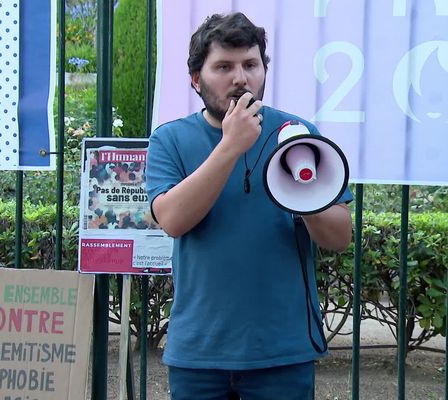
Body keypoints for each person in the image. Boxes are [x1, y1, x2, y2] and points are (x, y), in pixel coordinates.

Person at [145, 12, 353, 400]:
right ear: (196, 79)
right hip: (199, 352)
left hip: (282, 351)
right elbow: (172, 220)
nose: (240, 78)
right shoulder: (170, 139)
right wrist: (230, 146)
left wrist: (304, 194)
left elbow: (339, 237)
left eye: (250, 65)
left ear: (263, 71)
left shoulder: (297, 133)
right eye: (223, 66)